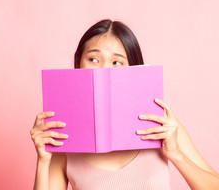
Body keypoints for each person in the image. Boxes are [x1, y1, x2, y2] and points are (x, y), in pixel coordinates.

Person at [30, 19, 219, 190]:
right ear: (79, 61)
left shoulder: (161, 124)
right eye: (93, 59)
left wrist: (176, 154)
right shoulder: (62, 136)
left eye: (117, 62)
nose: (104, 69)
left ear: (132, 69)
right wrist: (43, 161)